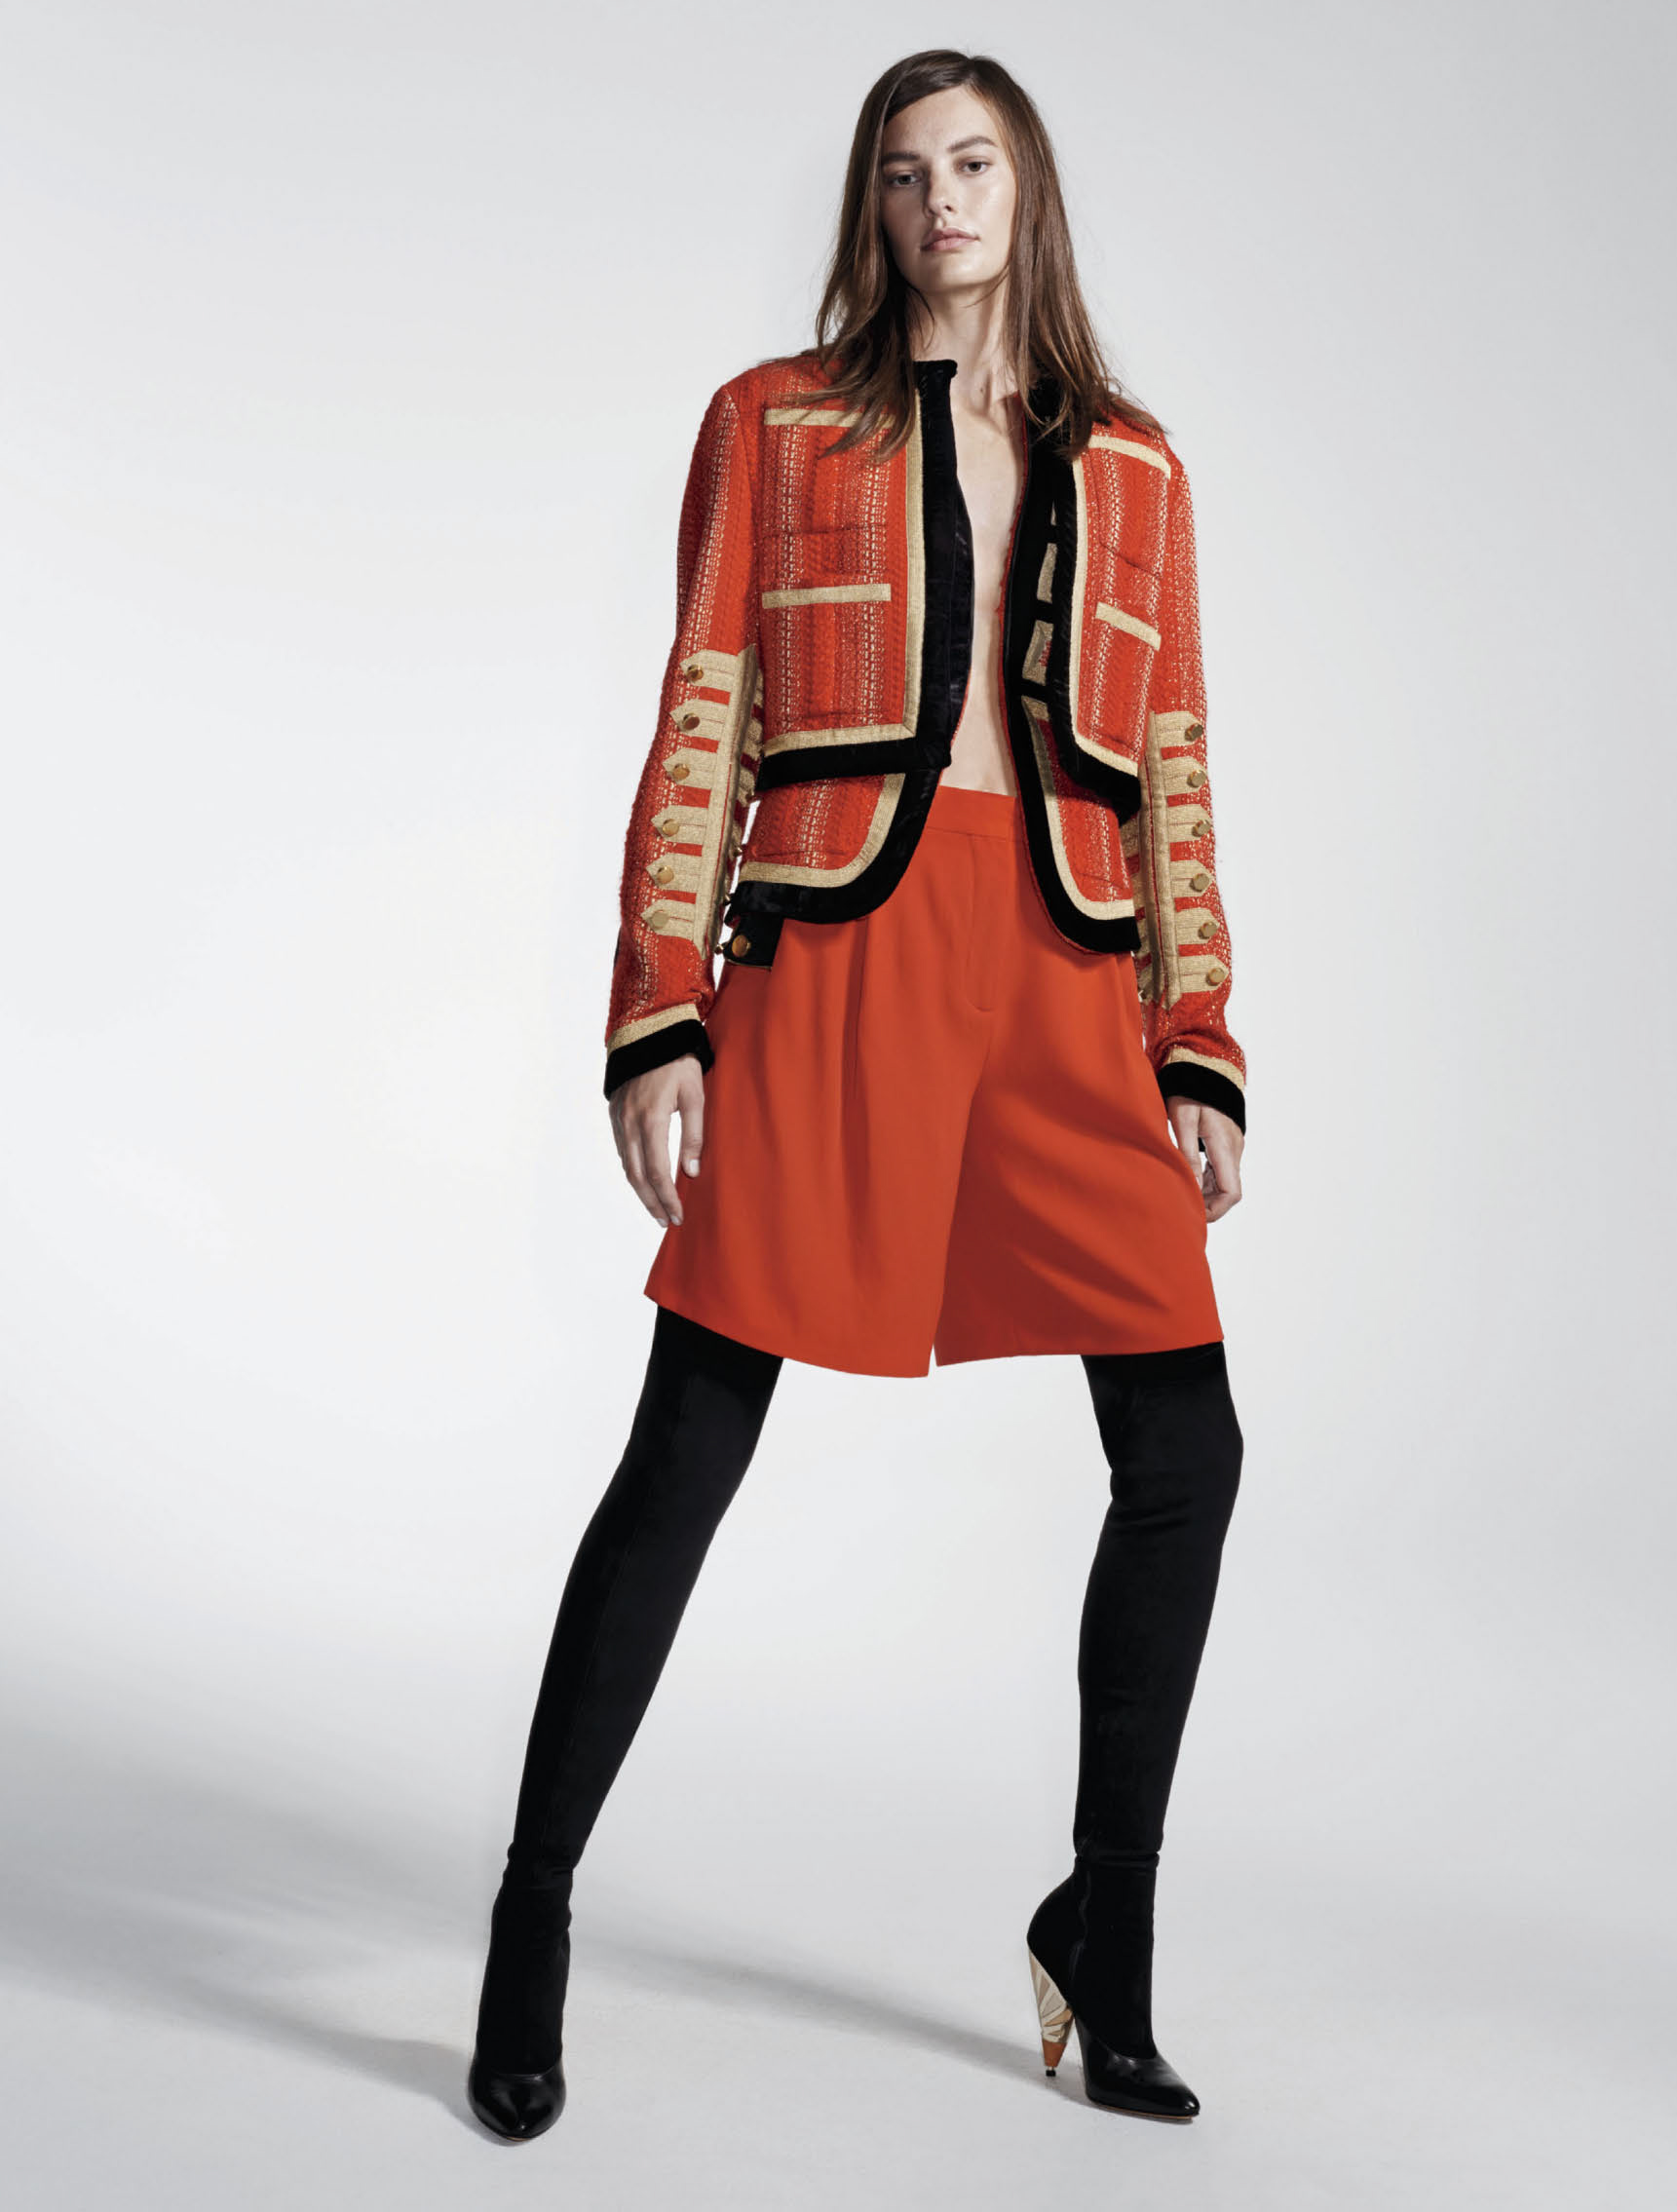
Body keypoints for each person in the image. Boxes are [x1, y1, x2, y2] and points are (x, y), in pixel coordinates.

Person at [467, 48, 1248, 2140]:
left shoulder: (1140, 468)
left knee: (1186, 1447)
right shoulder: (774, 422)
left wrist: (1197, 1040)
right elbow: (703, 710)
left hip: (1067, 973)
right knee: (688, 1445)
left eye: (973, 163)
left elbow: (1172, 771)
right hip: (833, 951)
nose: (941, 200)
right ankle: (530, 1909)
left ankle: (1105, 1930)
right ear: (871, 204)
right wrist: (660, 1014)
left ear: (1028, 189)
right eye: (905, 172)